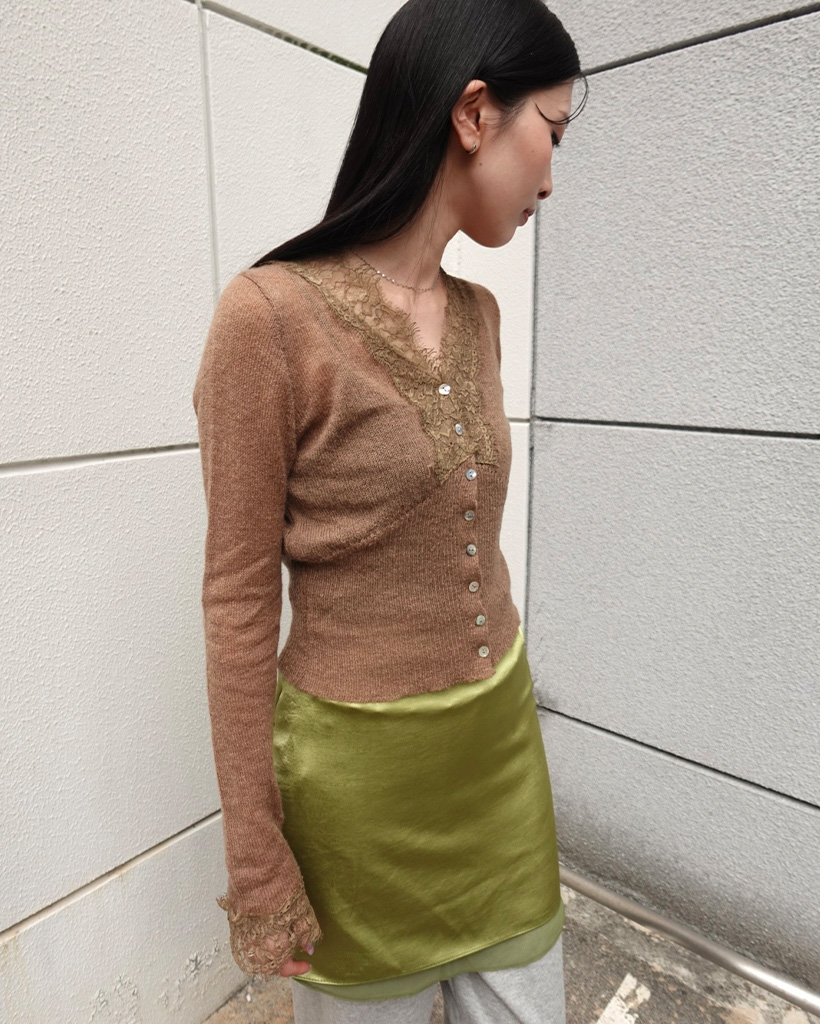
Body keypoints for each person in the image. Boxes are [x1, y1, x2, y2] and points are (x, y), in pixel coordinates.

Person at [192, 0, 587, 1020]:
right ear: (473, 113)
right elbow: (237, 601)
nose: (551, 176)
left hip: (496, 759)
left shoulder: (481, 316)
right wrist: (256, 852)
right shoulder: (268, 319)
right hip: (357, 795)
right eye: (552, 130)